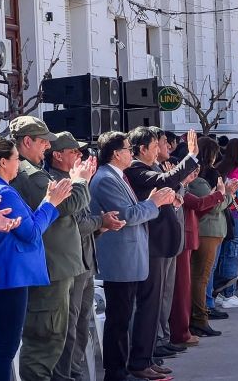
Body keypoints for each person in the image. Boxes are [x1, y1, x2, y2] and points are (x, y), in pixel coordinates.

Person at [0, 136, 72, 381]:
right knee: (5, 349)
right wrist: (51, 202)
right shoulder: (3, 191)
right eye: (16, 158)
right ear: (3, 162)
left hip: (6, 275)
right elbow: (31, 233)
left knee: (3, 348)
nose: (18, 164)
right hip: (10, 276)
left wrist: (48, 202)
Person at [8, 116, 93, 381]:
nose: (47, 146)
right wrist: (80, 180)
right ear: (27, 141)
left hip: (56, 266)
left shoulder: (34, 170)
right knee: (45, 340)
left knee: (56, 337)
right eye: (43, 141)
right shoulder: (29, 174)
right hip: (49, 268)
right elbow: (67, 205)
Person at [89, 131, 176, 381]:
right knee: (119, 319)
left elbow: (132, 211)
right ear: (117, 154)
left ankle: (130, 365)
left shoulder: (117, 175)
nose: (131, 153)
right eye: (128, 149)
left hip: (128, 255)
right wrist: (154, 203)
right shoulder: (106, 178)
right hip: (119, 258)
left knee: (125, 315)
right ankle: (116, 372)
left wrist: (151, 202)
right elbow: (127, 215)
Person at [49, 133, 125, 381]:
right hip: (72, 265)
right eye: (73, 151)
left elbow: (83, 222)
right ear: (57, 155)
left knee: (82, 323)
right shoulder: (57, 183)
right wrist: (100, 222)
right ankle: (68, 374)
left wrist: (101, 225)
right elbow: (75, 225)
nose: (79, 155)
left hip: (85, 261)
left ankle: (75, 371)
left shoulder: (76, 180)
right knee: (70, 325)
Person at [124, 127, 199, 364]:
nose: (159, 150)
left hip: (160, 243)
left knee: (157, 300)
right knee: (147, 303)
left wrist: (175, 193)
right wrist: (191, 156)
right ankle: (144, 355)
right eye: (155, 145)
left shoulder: (146, 168)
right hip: (151, 244)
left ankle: (151, 350)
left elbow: (167, 186)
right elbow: (164, 180)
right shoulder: (135, 169)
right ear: (142, 149)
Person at [169, 167, 224, 346]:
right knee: (185, 287)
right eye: (191, 171)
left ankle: (183, 329)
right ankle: (183, 331)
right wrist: (221, 194)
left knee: (185, 286)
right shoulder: (180, 187)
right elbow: (200, 205)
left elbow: (200, 209)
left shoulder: (184, 187)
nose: (194, 175)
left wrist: (220, 195)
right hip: (183, 239)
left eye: (196, 171)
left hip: (188, 238)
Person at [189, 138, 238, 335]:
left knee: (203, 275)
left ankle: (201, 314)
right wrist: (226, 194)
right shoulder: (199, 181)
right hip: (207, 231)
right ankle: (200, 317)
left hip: (213, 231)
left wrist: (224, 193)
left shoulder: (205, 177)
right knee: (201, 277)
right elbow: (213, 206)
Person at [215, 138, 238, 308]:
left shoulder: (220, 168)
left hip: (223, 214)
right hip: (237, 215)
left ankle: (218, 292)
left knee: (223, 255)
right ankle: (228, 294)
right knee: (234, 253)